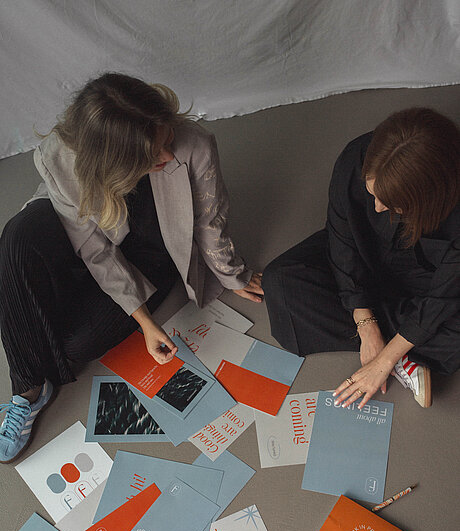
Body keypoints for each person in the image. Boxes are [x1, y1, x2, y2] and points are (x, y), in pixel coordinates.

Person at [0, 73, 263, 463]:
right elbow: (95, 250)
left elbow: (210, 221)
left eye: (166, 140)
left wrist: (230, 274)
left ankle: (45, 316)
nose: (168, 156)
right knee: (16, 237)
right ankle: (28, 391)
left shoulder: (195, 145)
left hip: (147, 250)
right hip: (80, 234)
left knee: (76, 346)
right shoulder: (60, 155)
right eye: (154, 153)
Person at [263, 107, 460, 410]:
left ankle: (400, 346)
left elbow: (445, 295)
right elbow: (342, 239)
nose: (378, 208)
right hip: (365, 262)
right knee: (281, 281)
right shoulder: (357, 155)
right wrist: (366, 325)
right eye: (372, 195)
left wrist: (384, 360)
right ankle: (408, 345)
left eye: (392, 204)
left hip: (433, 282)